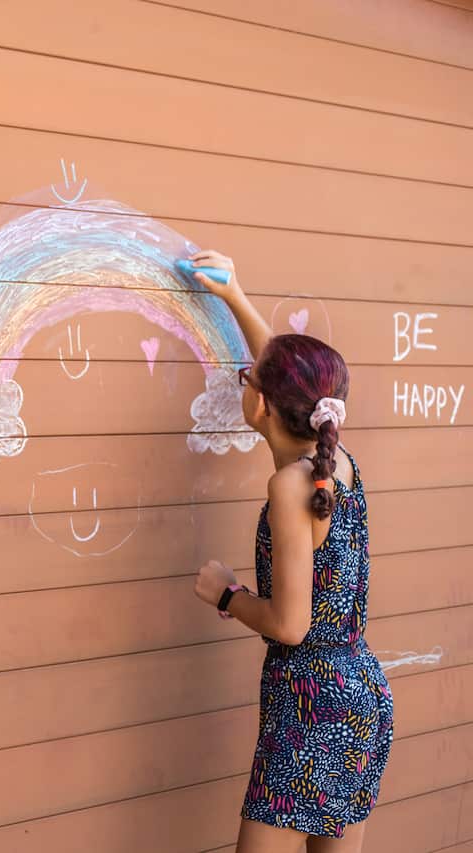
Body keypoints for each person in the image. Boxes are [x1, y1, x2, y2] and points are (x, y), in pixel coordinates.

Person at [190, 250, 393, 852]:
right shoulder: (338, 464)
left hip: (310, 706)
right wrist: (235, 296)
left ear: (262, 407)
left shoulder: (290, 486)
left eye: (247, 379)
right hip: (358, 697)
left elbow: (290, 624)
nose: (244, 381)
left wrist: (227, 594)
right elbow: (286, 375)